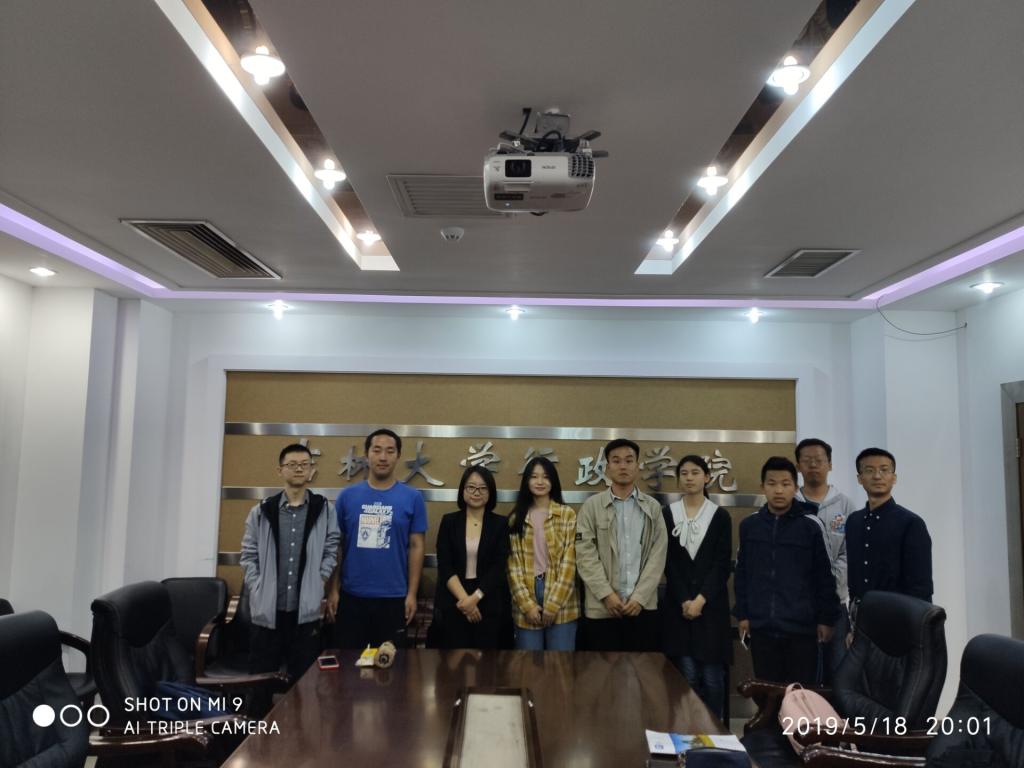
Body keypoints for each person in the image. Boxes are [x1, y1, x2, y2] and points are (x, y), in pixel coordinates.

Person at [734, 456, 839, 685]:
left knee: (800, 694)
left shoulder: (811, 525)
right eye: (772, 483)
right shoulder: (750, 526)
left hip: (801, 629)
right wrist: (743, 614)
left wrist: (826, 619)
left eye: (785, 483)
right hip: (761, 627)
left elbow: (825, 575)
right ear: (762, 487)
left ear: (795, 487)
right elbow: (742, 573)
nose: (779, 490)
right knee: (768, 693)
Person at [240, 443, 340, 680]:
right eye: (292, 464)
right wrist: (257, 585)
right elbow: (248, 554)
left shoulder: (324, 510)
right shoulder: (261, 511)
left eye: (304, 464)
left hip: (305, 613)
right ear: (280, 470)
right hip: (268, 612)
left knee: (304, 683)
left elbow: (331, 548)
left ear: (311, 470)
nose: (299, 469)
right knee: (261, 680)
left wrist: (319, 579)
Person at [328, 428, 427, 649]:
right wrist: (333, 589)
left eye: (390, 451)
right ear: (367, 454)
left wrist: (412, 594)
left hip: (394, 598)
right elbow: (337, 545)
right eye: (377, 450)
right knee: (348, 664)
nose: (383, 457)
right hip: (352, 596)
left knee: (391, 665)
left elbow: (416, 546)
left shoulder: (412, 498)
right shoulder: (347, 496)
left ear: (398, 456)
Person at [576, 438, 667, 652]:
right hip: (602, 609)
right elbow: (585, 555)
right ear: (607, 468)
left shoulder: (653, 508)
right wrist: (606, 595)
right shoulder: (591, 507)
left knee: (642, 669)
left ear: (637, 466)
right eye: (616, 461)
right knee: (602, 670)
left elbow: (658, 555)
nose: (623, 466)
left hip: (642, 608)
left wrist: (640, 597)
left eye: (628, 460)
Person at [661, 455, 732, 721]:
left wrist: (700, 600)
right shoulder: (668, 514)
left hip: (710, 608)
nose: (689, 478)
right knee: (686, 675)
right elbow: (668, 562)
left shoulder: (720, 516)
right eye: (684, 473)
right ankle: (686, 729)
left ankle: (714, 731)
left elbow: (721, 564)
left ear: (707, 477)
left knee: (713, 677)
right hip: (677, 608)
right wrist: (684, 600)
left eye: (695, 472)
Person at [846, 448, 933, 626]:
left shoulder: (911, 523)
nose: (877, 476)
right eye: (869, 470)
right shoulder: (854, 521)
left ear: (894, 477)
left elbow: (921, 587)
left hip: (898, 619)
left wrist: (915, 627)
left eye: (884, 470)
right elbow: (854, 577)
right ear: (859, 478)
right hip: (861, 619)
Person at [795, 437, 853, 682]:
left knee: (837, 671)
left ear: (830, 464)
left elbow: (849, 553)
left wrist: (829, 583)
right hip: (798, 604)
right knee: (803, 671)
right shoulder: (790, 503)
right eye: (807, 460)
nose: (813, 465)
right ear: (798, 466)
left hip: (835, 603)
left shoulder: (845, 505)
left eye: (819, 460)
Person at [432, 466, 510, 649]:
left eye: (483, 488)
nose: (476, 492)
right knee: (453, 660)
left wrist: (475, 598)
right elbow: (445, 564)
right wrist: (465, 601)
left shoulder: (500, 524)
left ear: (490, 493)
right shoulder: (449, 522)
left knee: (488, 662)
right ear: (463, 490)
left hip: (487, 599)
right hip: (455, 599)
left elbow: (498, 567)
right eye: (471, 487)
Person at [506, 456, 579, 650]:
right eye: (534, 477)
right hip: (527, 597)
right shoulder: (516, 518)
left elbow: (570, 562)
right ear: (526, 481)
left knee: (560, 664)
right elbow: (513, 567)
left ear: (553, 481)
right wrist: (527, 605)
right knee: (528, 666)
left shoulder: (567, 514)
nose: (540, 482)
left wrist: (553, 604)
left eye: (546, 477)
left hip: (562, 598)